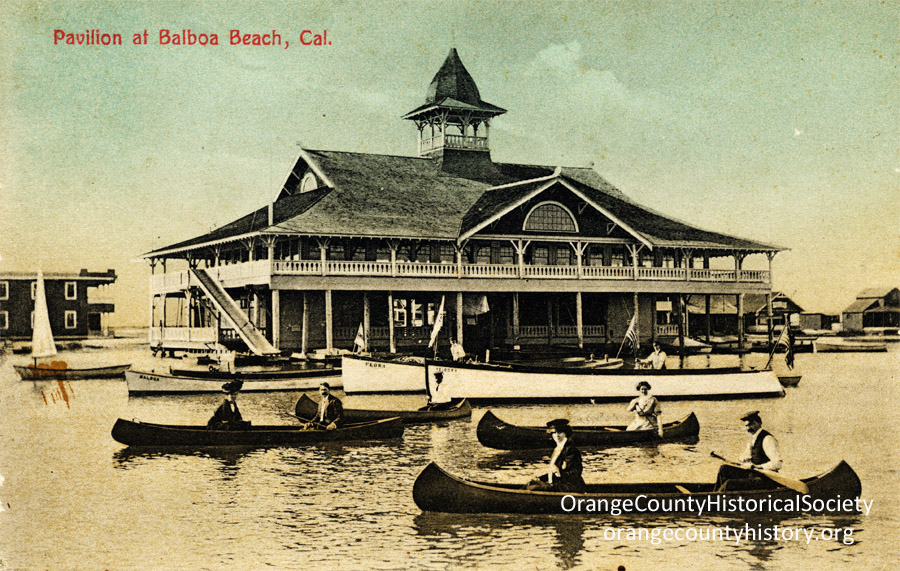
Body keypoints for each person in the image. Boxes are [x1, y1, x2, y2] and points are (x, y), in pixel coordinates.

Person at [715, 410, 783, 491]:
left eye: (751, 424)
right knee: (724, 469)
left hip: (766, 480)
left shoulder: (768, 439)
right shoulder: (753, 439)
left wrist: (758, 466)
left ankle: (717, 496)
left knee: (729, 484)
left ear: (759, 423)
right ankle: (715, 494)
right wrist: (742, 460)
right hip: (754, 475)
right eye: (747, 425)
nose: (748, 428)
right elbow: (745, 457)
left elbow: (778, 464)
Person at [525, 419, 586, 493]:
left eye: (560, 432)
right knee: (531, 483)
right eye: (554, 432)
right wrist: (540, 478)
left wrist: (559, 473)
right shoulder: (557, 449)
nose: (557, 435)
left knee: (533, 488)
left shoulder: (571, 450)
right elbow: (554, 473)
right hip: (558, 484)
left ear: (566, 433)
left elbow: (575, 473)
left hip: (570, 487)